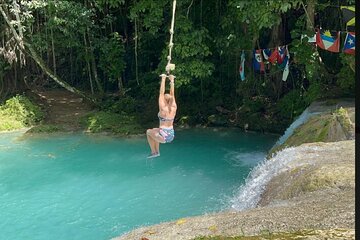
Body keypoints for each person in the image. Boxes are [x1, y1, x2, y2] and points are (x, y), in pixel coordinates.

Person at [146, 74, 177, 158]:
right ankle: (157, 152)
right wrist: (171, 80)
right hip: (171, 134)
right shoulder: (174, 107)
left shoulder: (163, 108)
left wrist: (163, 79)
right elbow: (172, 94)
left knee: (148, 132)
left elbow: (161, 93)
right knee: (154, 130)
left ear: (164, 100)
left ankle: (154, 152)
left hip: (163, 135)